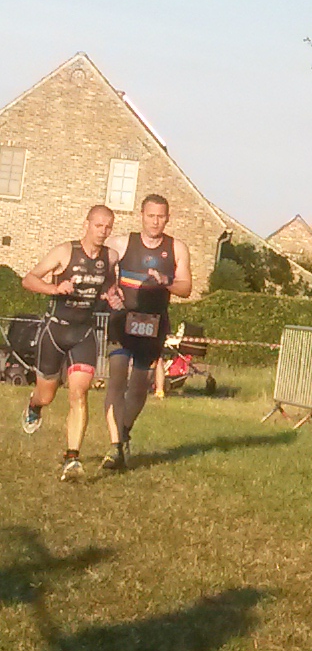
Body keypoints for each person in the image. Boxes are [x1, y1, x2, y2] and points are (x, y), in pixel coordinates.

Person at [20, 204, 117, 479]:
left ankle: (72, 458)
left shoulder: (110, 257)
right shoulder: (65, 251)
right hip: (55, 331)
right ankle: (34, 406)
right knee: (47, 395)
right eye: (98, 225)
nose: (102, 231)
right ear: (87, 224)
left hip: (84, 334)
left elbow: (109, 284)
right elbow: (29, 279)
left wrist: (111, 294)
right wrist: (54, 288)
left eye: (108, 227)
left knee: (79, 393)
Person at [102, 191, 192, 473]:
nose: (155, 222)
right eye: (150, 216)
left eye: (160, 217)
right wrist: (109, 289)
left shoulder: (177, 248)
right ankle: (115, 447)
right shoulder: (121, 243)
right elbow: (99, 266)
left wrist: (166, 281)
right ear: (141, 216)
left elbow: (186, 288)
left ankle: (124, 432)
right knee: (117, 379)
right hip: (122, 320)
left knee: (140, 385)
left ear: (167, 219)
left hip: (153, 323)